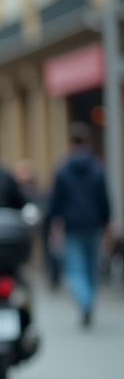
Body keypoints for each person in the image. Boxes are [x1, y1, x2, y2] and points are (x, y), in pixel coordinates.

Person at [45, 122, 112, 327]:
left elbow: (55, 200)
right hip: (93, 226)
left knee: (75, 268)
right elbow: (104, 199)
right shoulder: (97, 168)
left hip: (72, 226)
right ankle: (88, 299)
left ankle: (85, 300)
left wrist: (50, 221)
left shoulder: (63, 169)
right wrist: (106, 221)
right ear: (88, 141)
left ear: (70, 143)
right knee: (91, 267)